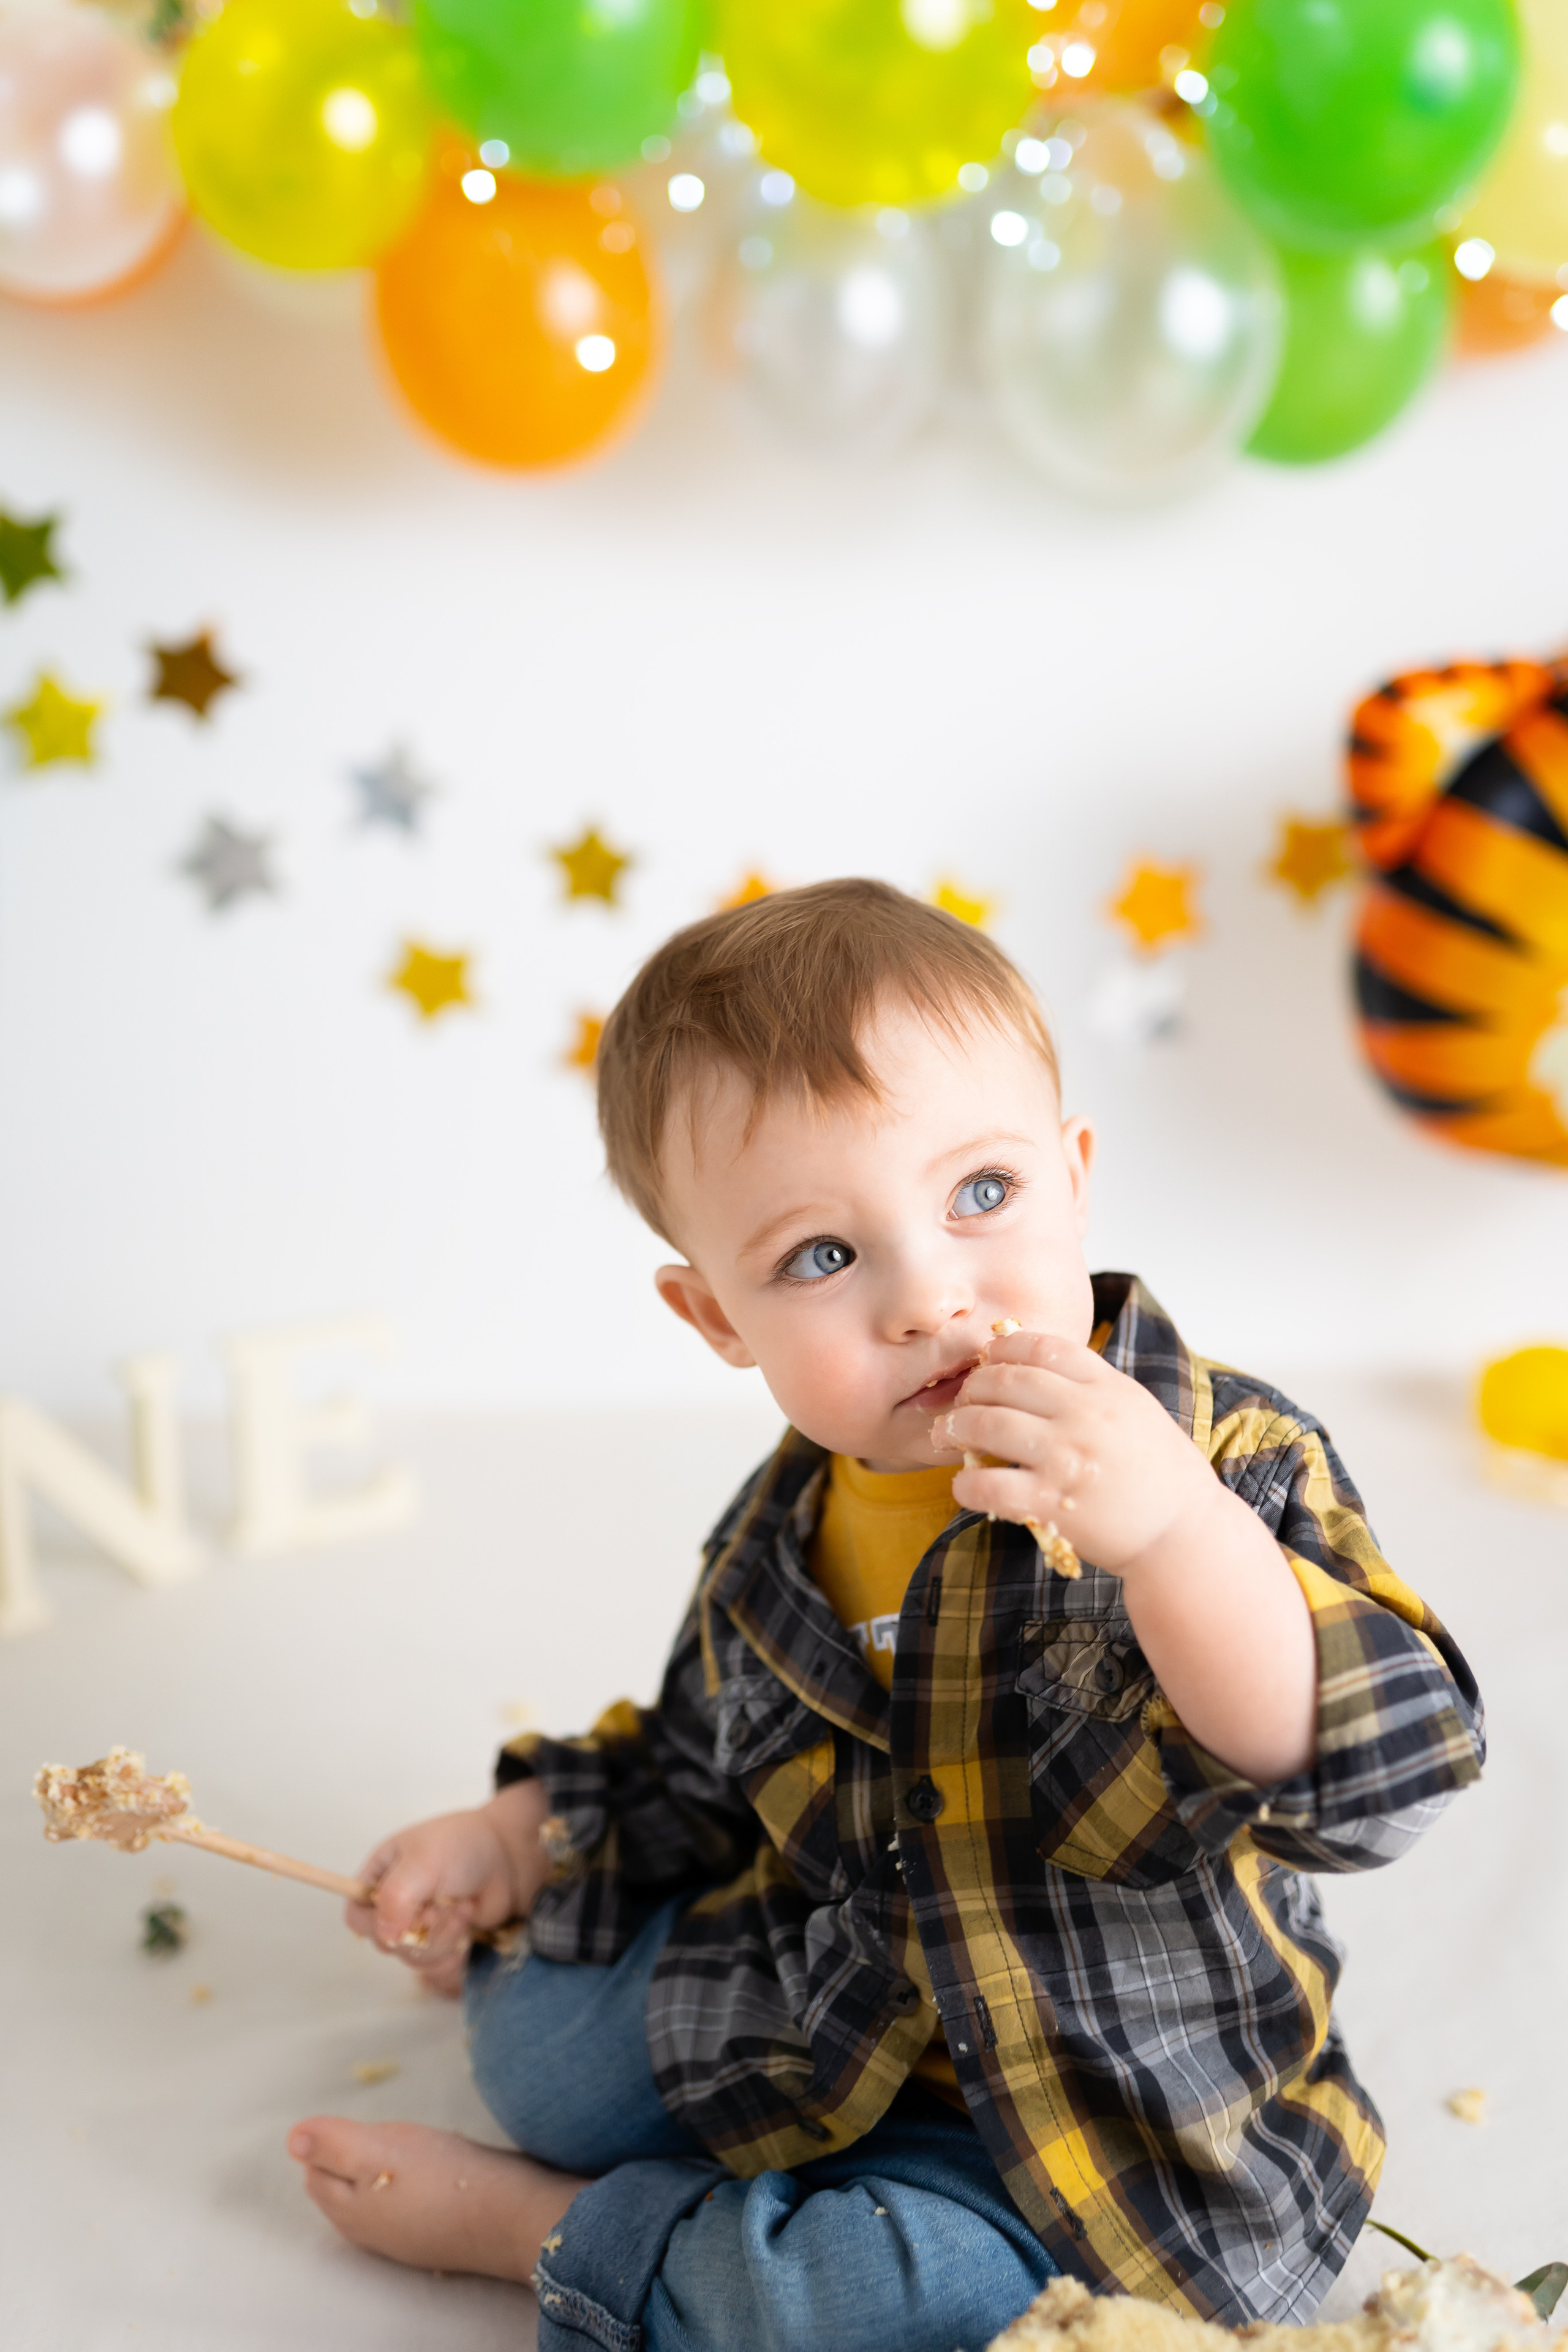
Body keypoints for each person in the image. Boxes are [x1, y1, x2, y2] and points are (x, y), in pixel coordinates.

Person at [287, 879, 1483, 2352]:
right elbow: (693, 1767)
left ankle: (545, 2231)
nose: (926, 1297)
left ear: (1072, 1176)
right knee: (536, 2058)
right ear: (714, 1318)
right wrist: (509, 1837)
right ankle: (698, 2158)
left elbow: (1380, 1781)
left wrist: (1176, 1537)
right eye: (821, 1257)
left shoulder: (1226, 1461)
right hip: (831, 2012)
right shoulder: (779, 1531)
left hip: (1116, 2122)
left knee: (860, 2302)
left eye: (979, 1195)